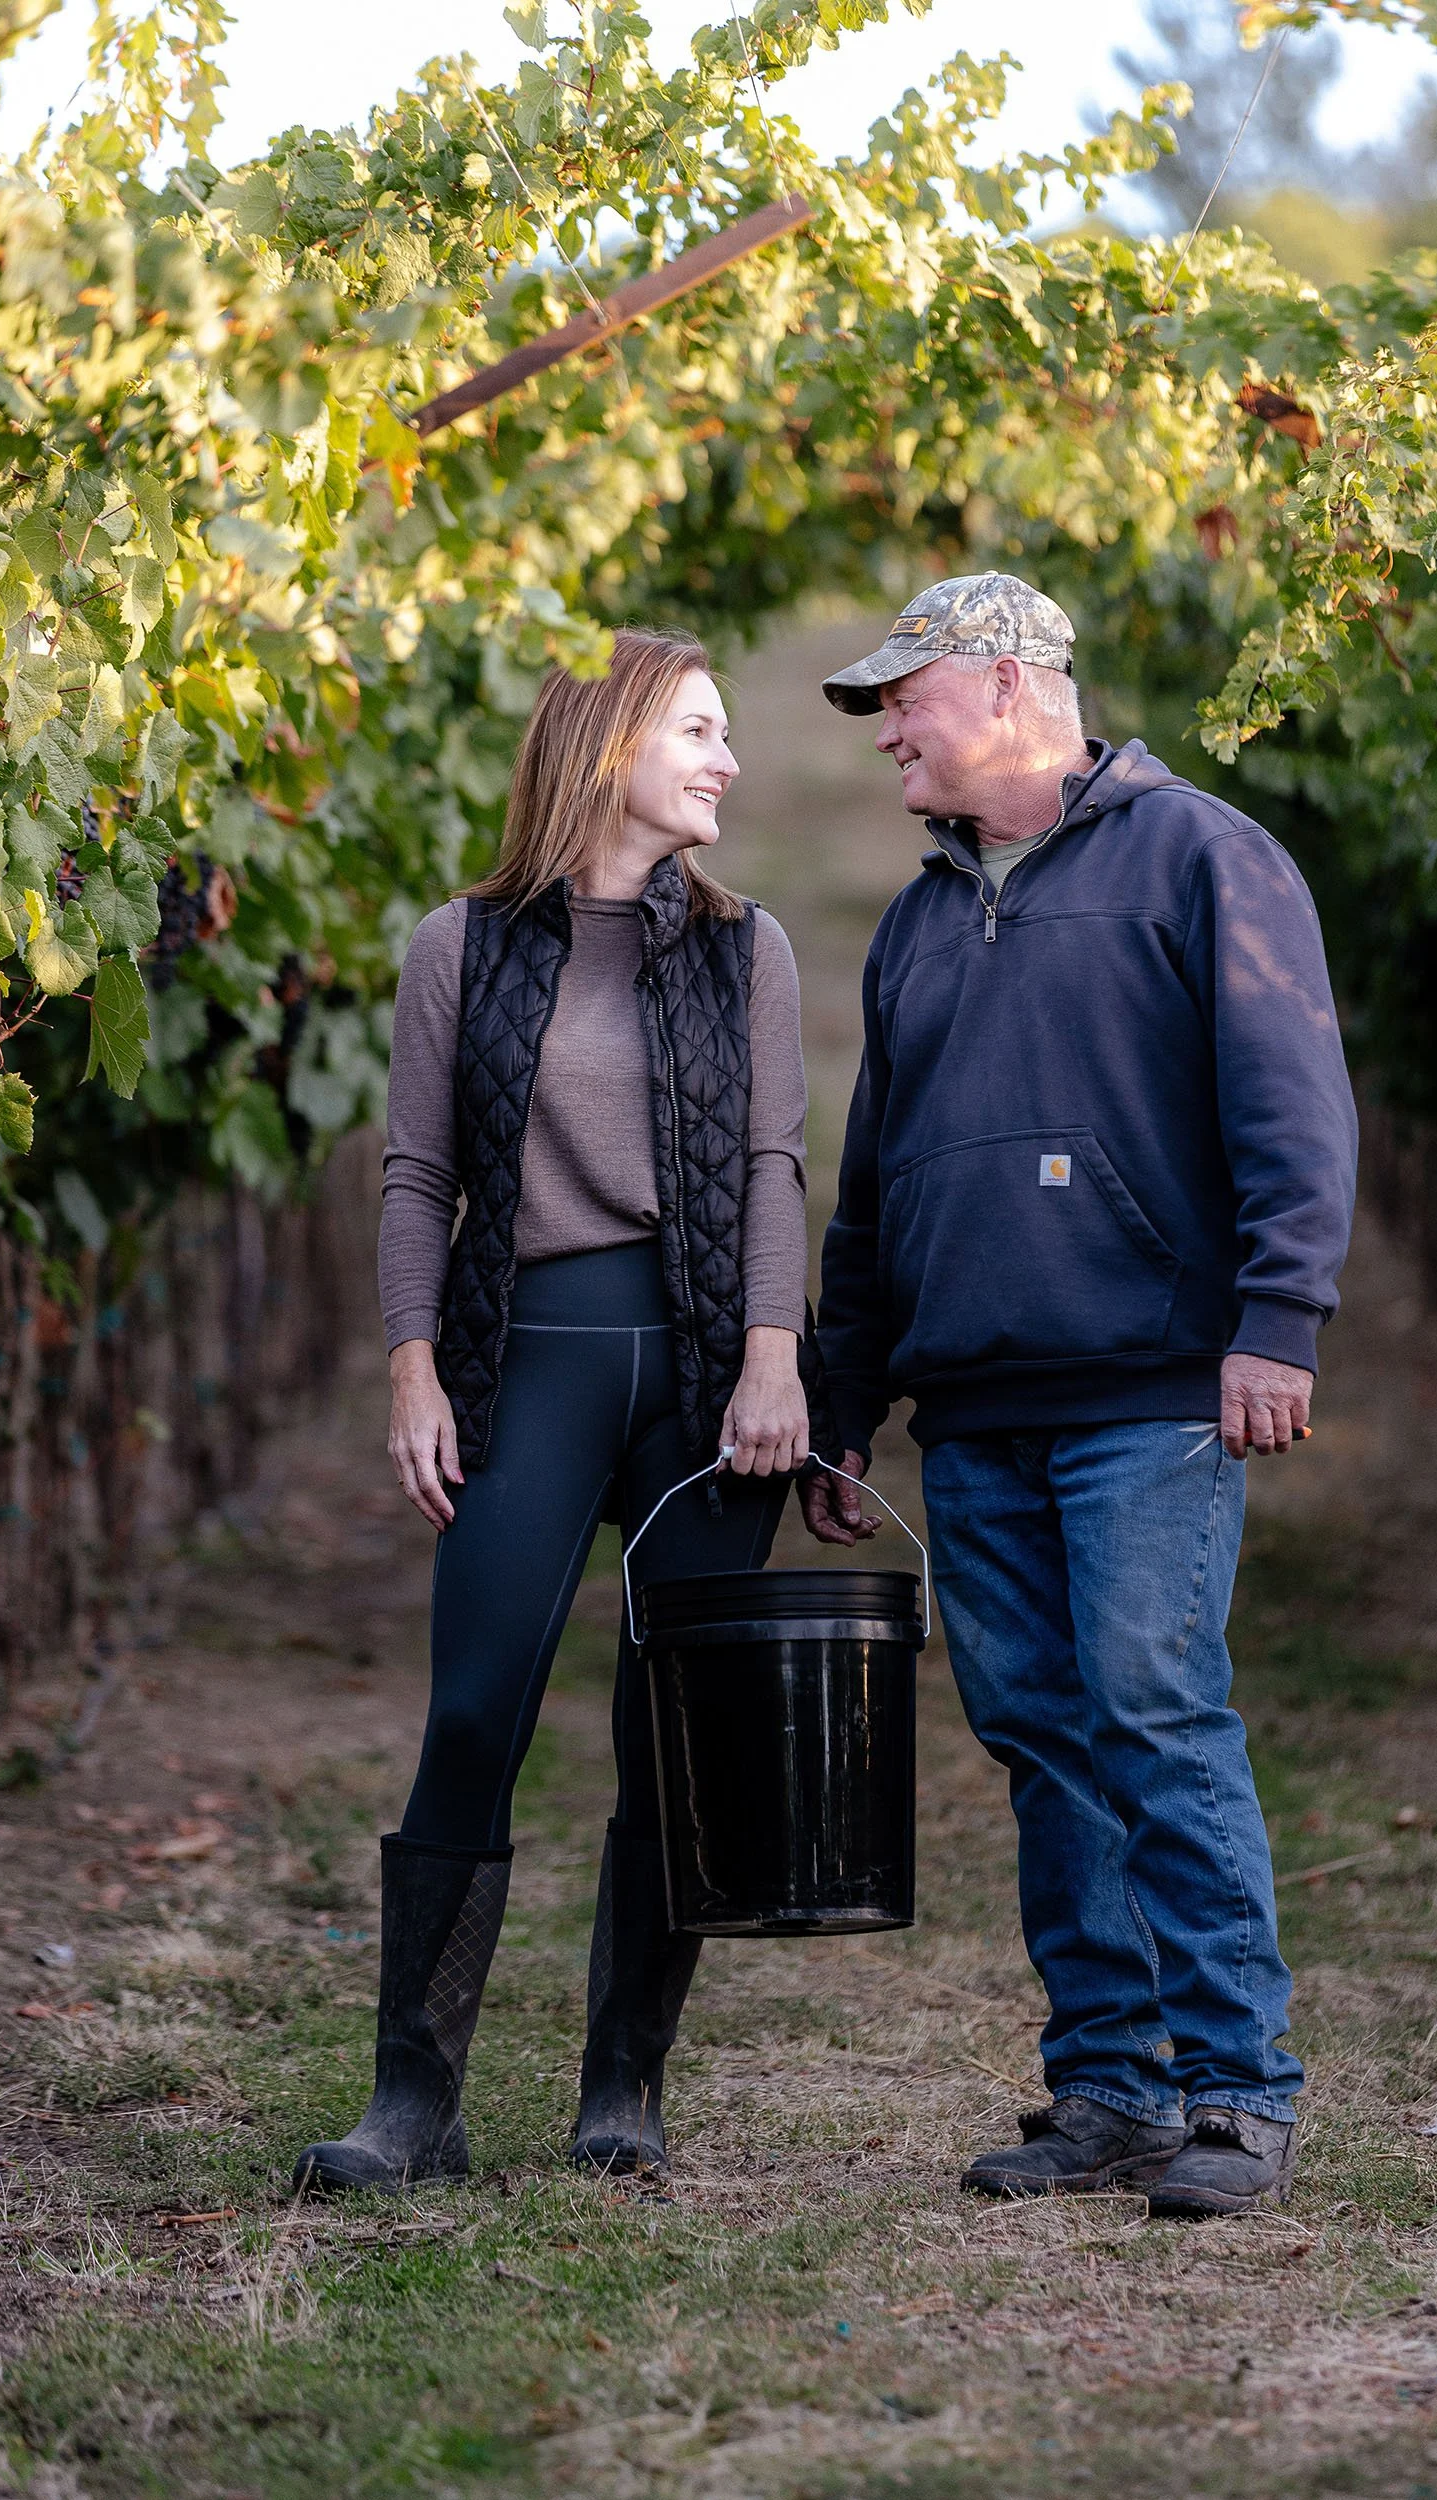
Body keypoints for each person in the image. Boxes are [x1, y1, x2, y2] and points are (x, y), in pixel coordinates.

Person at [801, 574, 1358, 2217]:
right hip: (976, 1411)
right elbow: (871, 1189)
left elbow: (1292, 1105)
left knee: (1153, 1718)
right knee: (1044, 1740)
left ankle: (1237, 2092)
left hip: (1149, 1396)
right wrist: (846, 1395)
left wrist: (1277, 1321)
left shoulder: (1204, 858)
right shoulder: (915, 916)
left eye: (903, 695)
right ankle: (1105, 2086)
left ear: (1003, 682)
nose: (887, 727)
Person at [296, 629, 836, 2194]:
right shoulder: (456, 946)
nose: (727, 760)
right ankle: (416, 2102)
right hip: (524, 1349)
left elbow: (768, 1172)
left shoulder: (751, 949)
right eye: (700, 732)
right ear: (608, 749)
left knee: (679, 1733)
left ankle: (624, 2087)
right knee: (473, 1713)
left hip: (701, 1368)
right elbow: (416, 1174)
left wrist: (773, 1357)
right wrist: (411, 1366)